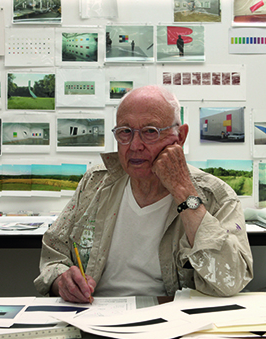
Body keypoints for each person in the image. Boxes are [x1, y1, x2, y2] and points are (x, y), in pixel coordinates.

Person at [35, 85, 253, 303]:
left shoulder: (216, 195)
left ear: (180, 136)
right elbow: (54, 253)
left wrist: (184, 192)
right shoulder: (95, 183)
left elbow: (231, 281)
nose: (135, 145)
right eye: (125, 132)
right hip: (94, 313)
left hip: (174, 319)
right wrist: (60, 280)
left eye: (150, 131)